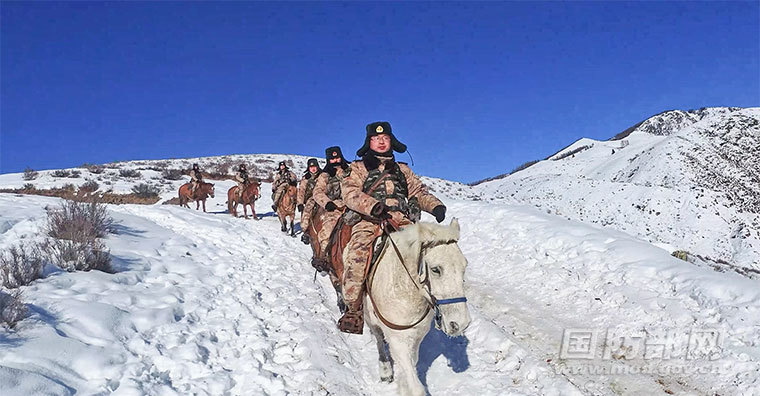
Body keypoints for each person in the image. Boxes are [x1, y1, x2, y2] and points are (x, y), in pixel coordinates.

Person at [337, 121, 446, 334]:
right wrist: (372, 206)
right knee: (358, 254)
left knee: (429, 252)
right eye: (376, 138)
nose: (381, 141)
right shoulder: (358, 168)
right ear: (369, 142)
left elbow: (417, 192)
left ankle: (436, 301)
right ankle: (353, 308)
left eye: (385, 138)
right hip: (370, 221)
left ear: (391, 142)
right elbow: (350, 193)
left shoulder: (403, 169)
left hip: (402, 221)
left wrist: (435, 206)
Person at [307, 147, 350, 264]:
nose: (335, 161)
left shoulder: (351, 170)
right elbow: (317, 192)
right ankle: (323, 258)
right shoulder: (325, 175)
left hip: (354, 205)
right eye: (332, 159)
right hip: (335, 207)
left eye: (337, 158)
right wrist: (327, 203)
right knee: (327, 232)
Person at [298, 158, 322, 244]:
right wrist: (300, 203)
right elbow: (301, 191)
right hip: (311, 198)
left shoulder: (323, 175)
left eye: (315, 166)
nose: (313, 169)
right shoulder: (306, 178)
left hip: (323, 197)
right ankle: (306, 231)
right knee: (307, 210)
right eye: (311, 167)